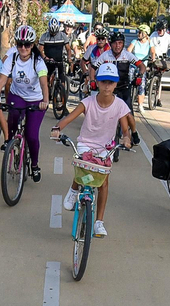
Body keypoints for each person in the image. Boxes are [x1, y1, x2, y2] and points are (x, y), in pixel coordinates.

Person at [51, 62, 133, 238]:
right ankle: (74, 191)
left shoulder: (119, 105)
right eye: (104, 81)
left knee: (103, 182)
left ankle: (99, 222)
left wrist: (126, 138)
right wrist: (58, 128)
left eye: (111, 82)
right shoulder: (88, 102)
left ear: (116, 84)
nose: (107, 86)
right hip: (86, 143)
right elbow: (69, 117)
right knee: (82, 165)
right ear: (97, 82)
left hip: (105, 147)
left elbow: (125, 129)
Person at [0, 24, 50, 182]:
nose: (23, 48)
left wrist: (45, 100)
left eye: (27, 45)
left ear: (32, 45)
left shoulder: (37, 61)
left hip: (36, 99)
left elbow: (43, 83)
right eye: (20, 44)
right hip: (17, 95)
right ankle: (11, 142)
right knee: (12, 120)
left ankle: (34, 164)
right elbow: (3, 78)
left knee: (32, 135)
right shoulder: (12, 57)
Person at [147, 21, 170, 108]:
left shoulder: (168, 37)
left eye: (160, 30)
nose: (158, 31)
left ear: (164, 29)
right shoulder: (153, 35)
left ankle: (158, 98)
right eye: (157, 30)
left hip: (161, 59)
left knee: (159, 78)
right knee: (146, 71)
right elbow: (148, 43)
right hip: (152, 57)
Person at [40, 18, 71, 99]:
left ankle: (62, 96)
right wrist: (45, 57)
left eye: (55, 32)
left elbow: (68, 49)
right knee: (46, 77)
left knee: (62, 77)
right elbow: (40, 50)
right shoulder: (44, 36)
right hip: (48, 61)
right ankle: (46, 92)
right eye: (51, 32)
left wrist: (69, 58)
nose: (53, 34)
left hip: (59, 60)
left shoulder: (63, 36)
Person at [128, 25, 152, 109]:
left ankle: (140, 105)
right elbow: (129, 50)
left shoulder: (149, 42)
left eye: (140, 32)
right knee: (129, 79)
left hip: (143, 64)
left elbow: (153, 51)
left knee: (142, 84)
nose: (138, 34)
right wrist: (128, 56)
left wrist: (152, 58)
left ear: (145, 34)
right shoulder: (135, 41)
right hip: (134, 63)